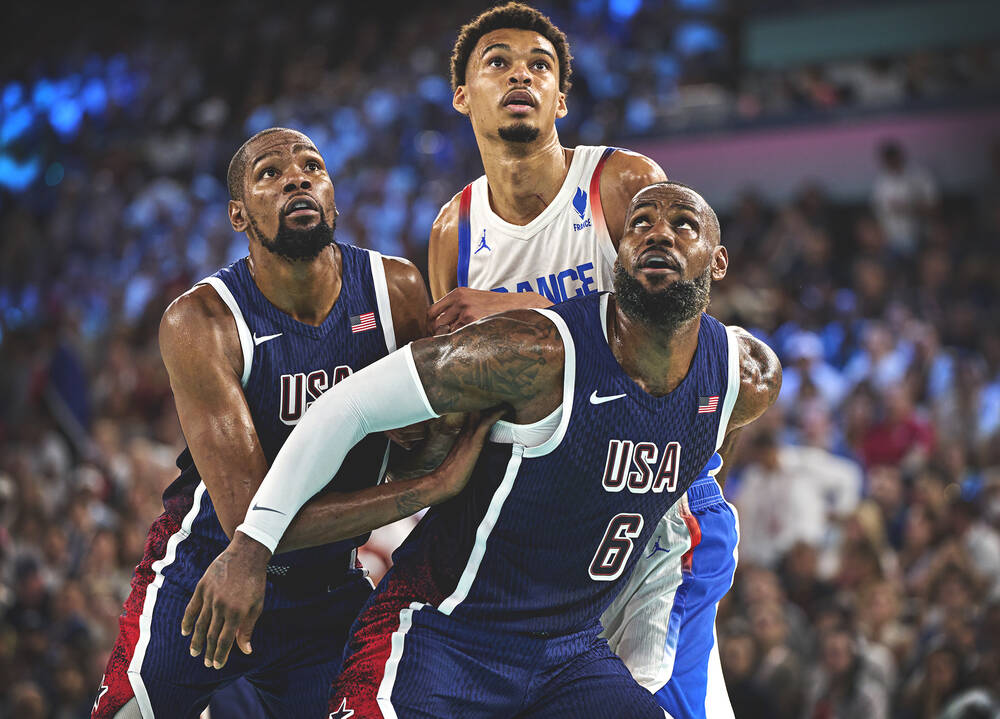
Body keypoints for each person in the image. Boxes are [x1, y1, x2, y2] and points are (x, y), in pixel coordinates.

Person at [184, 181, 782, 718]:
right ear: (615, 258)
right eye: (641, 221)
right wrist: (252, 543)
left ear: (719, 261)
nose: (658, 232)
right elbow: (347, 406)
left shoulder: (745, 380)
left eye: (683, 224)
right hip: (444, 635)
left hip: (567, 652)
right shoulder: (534, 353)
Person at [91, 127, 496, 719]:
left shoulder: (395, 289)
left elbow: (428, 442)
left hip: (327, 587)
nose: (297, 179)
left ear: (333, 195)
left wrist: (427, 438)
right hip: (212, 570)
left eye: (312, 167)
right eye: (270, 174)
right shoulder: (202, 319)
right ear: (238, 215)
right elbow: (251, 519)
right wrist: (429, 488)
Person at [426, 4, 742, 714]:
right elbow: (461, 399)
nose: (521, 75)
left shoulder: (620, 181)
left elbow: (673, 327)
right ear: (462, 95)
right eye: (498, 62)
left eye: (540, 65)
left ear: (561, 99)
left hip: (654, 506)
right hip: (544, 541)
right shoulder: (455, 228)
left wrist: (512, 310)